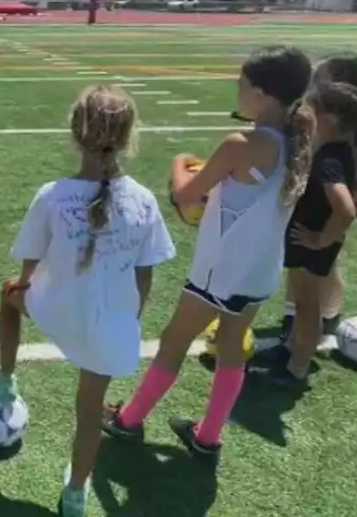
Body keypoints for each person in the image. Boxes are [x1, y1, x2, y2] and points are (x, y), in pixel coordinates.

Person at [101, 46, 315, 459]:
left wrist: (181, 161)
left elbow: (185, 195)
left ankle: (129, 420)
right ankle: (208, 437)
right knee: (232, 348)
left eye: (242, 85)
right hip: (259, 272)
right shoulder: (298, 141)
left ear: (264, 94)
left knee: (173, 341)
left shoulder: (240, 144)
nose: (237, 91)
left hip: (221, 271)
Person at [0, 85, 175, 516]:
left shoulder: (53, 194)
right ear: (127, 139)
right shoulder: (143, 200)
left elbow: (29, 263)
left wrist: (25, 288)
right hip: (107, 329)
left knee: (8, 293)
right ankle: (75, 494)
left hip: (55, 310)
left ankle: (6, 379)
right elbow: (146, 274)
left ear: (75, 133)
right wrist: (131, 317)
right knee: (89, 415)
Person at [254, 81, 357, 388]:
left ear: (330, 118)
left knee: (308, 308)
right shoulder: (342, 149)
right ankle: (292, 351)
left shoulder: (330, 159)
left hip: (310, 245)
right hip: (310, 241)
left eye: (311, 105)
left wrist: (322, 239)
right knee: (305, 305)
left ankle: (296, 367)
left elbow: (345, 210)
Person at [278, 52, 357, 342]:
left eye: (319, 77)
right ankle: (305, 321)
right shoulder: (315, 112)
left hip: (319, 199)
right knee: (307, 266)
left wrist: (356, 188)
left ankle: (314, 322)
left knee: (312, 266)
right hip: (309, 190)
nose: (311, 81)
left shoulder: (340, 126)